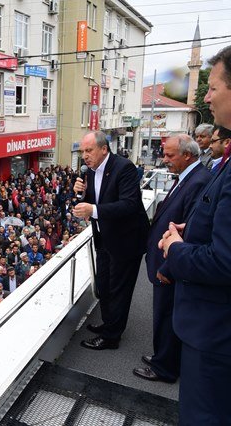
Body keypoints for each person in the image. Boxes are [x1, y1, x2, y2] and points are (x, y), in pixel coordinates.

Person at [159, 45, 231, 424]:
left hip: (215, 336)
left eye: (214, 87)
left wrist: (175, 248)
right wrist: (196, 227)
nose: (205, 95)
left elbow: (224, 261)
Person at [133, 134, 211, 384]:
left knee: (166, 315)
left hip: (171, 265)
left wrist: (168, 266)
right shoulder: (189, 178)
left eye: (169, 155)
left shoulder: (198, 181)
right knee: (165, 314)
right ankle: (162, 357)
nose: (164, 159)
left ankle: (164, 368)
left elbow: (191, 231)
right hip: (168, 260)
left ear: (187, 155)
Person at [73, 130, 149, 350]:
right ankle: (108, 323)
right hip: (105, 237)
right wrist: (81, 194)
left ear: (104, 149)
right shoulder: (90, 171)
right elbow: (91, 201)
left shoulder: (123, 168)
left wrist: (93, 208)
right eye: (82, 151)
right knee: (105, 284)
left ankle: (111, 337)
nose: (85, 156)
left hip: (126, 241)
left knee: (119, 289)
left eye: (89, 150)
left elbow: (129, 204)